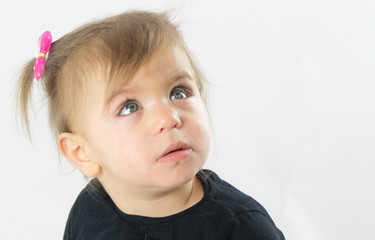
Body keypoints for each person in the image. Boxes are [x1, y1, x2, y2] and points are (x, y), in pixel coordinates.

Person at [16, 10, 285, 240]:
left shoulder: (240, 227)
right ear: (81, 152)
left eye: (178, 92)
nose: (168, 118)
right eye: (129, 107)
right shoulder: (89, 211)